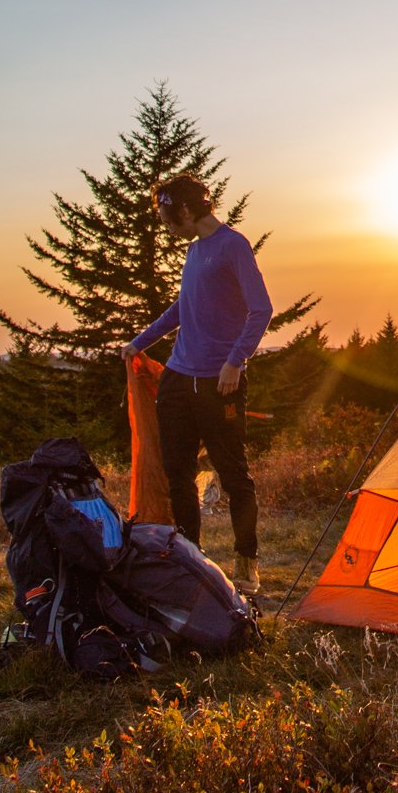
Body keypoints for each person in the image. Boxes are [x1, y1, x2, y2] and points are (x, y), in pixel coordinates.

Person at [122, 173, 271, 590]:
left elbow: (261, 309)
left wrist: (235, 361)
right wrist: (140, 342)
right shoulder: (194, 251)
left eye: (171, 220)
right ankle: (191, 557)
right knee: (177, 471)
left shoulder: (233, 246)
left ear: (187, 210)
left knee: (232, 471)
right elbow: (181, 309)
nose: (170, 229)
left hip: (217, 382)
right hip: (177, 376)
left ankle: (246, 562)